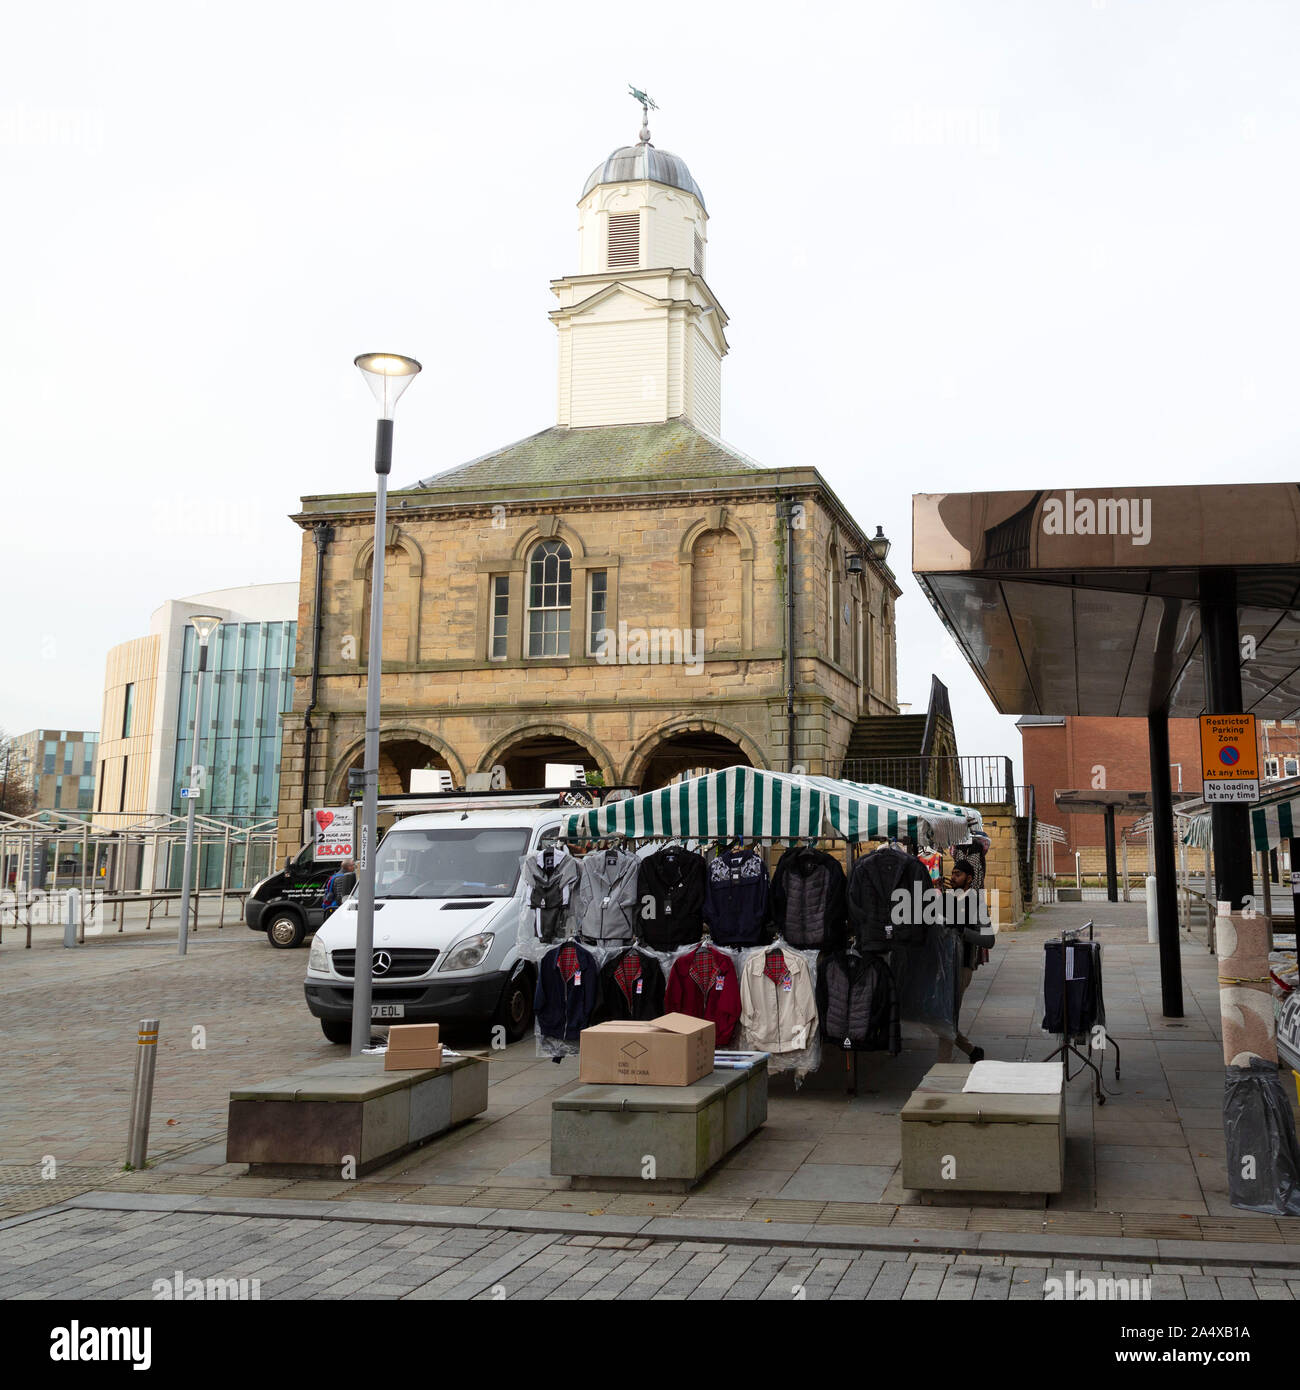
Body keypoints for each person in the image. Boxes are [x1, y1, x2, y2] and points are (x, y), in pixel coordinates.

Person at [935, 858, 986, 1064]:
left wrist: (963, 932)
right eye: (953, 873)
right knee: (942, 1015)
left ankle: (942, 1065)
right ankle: (972, 1051)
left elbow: (987, 939)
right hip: (945, 964)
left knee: (946, 1016)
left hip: (963, 965)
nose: (953, 877)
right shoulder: (948, 898)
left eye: (958, 874)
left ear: (969, 879)